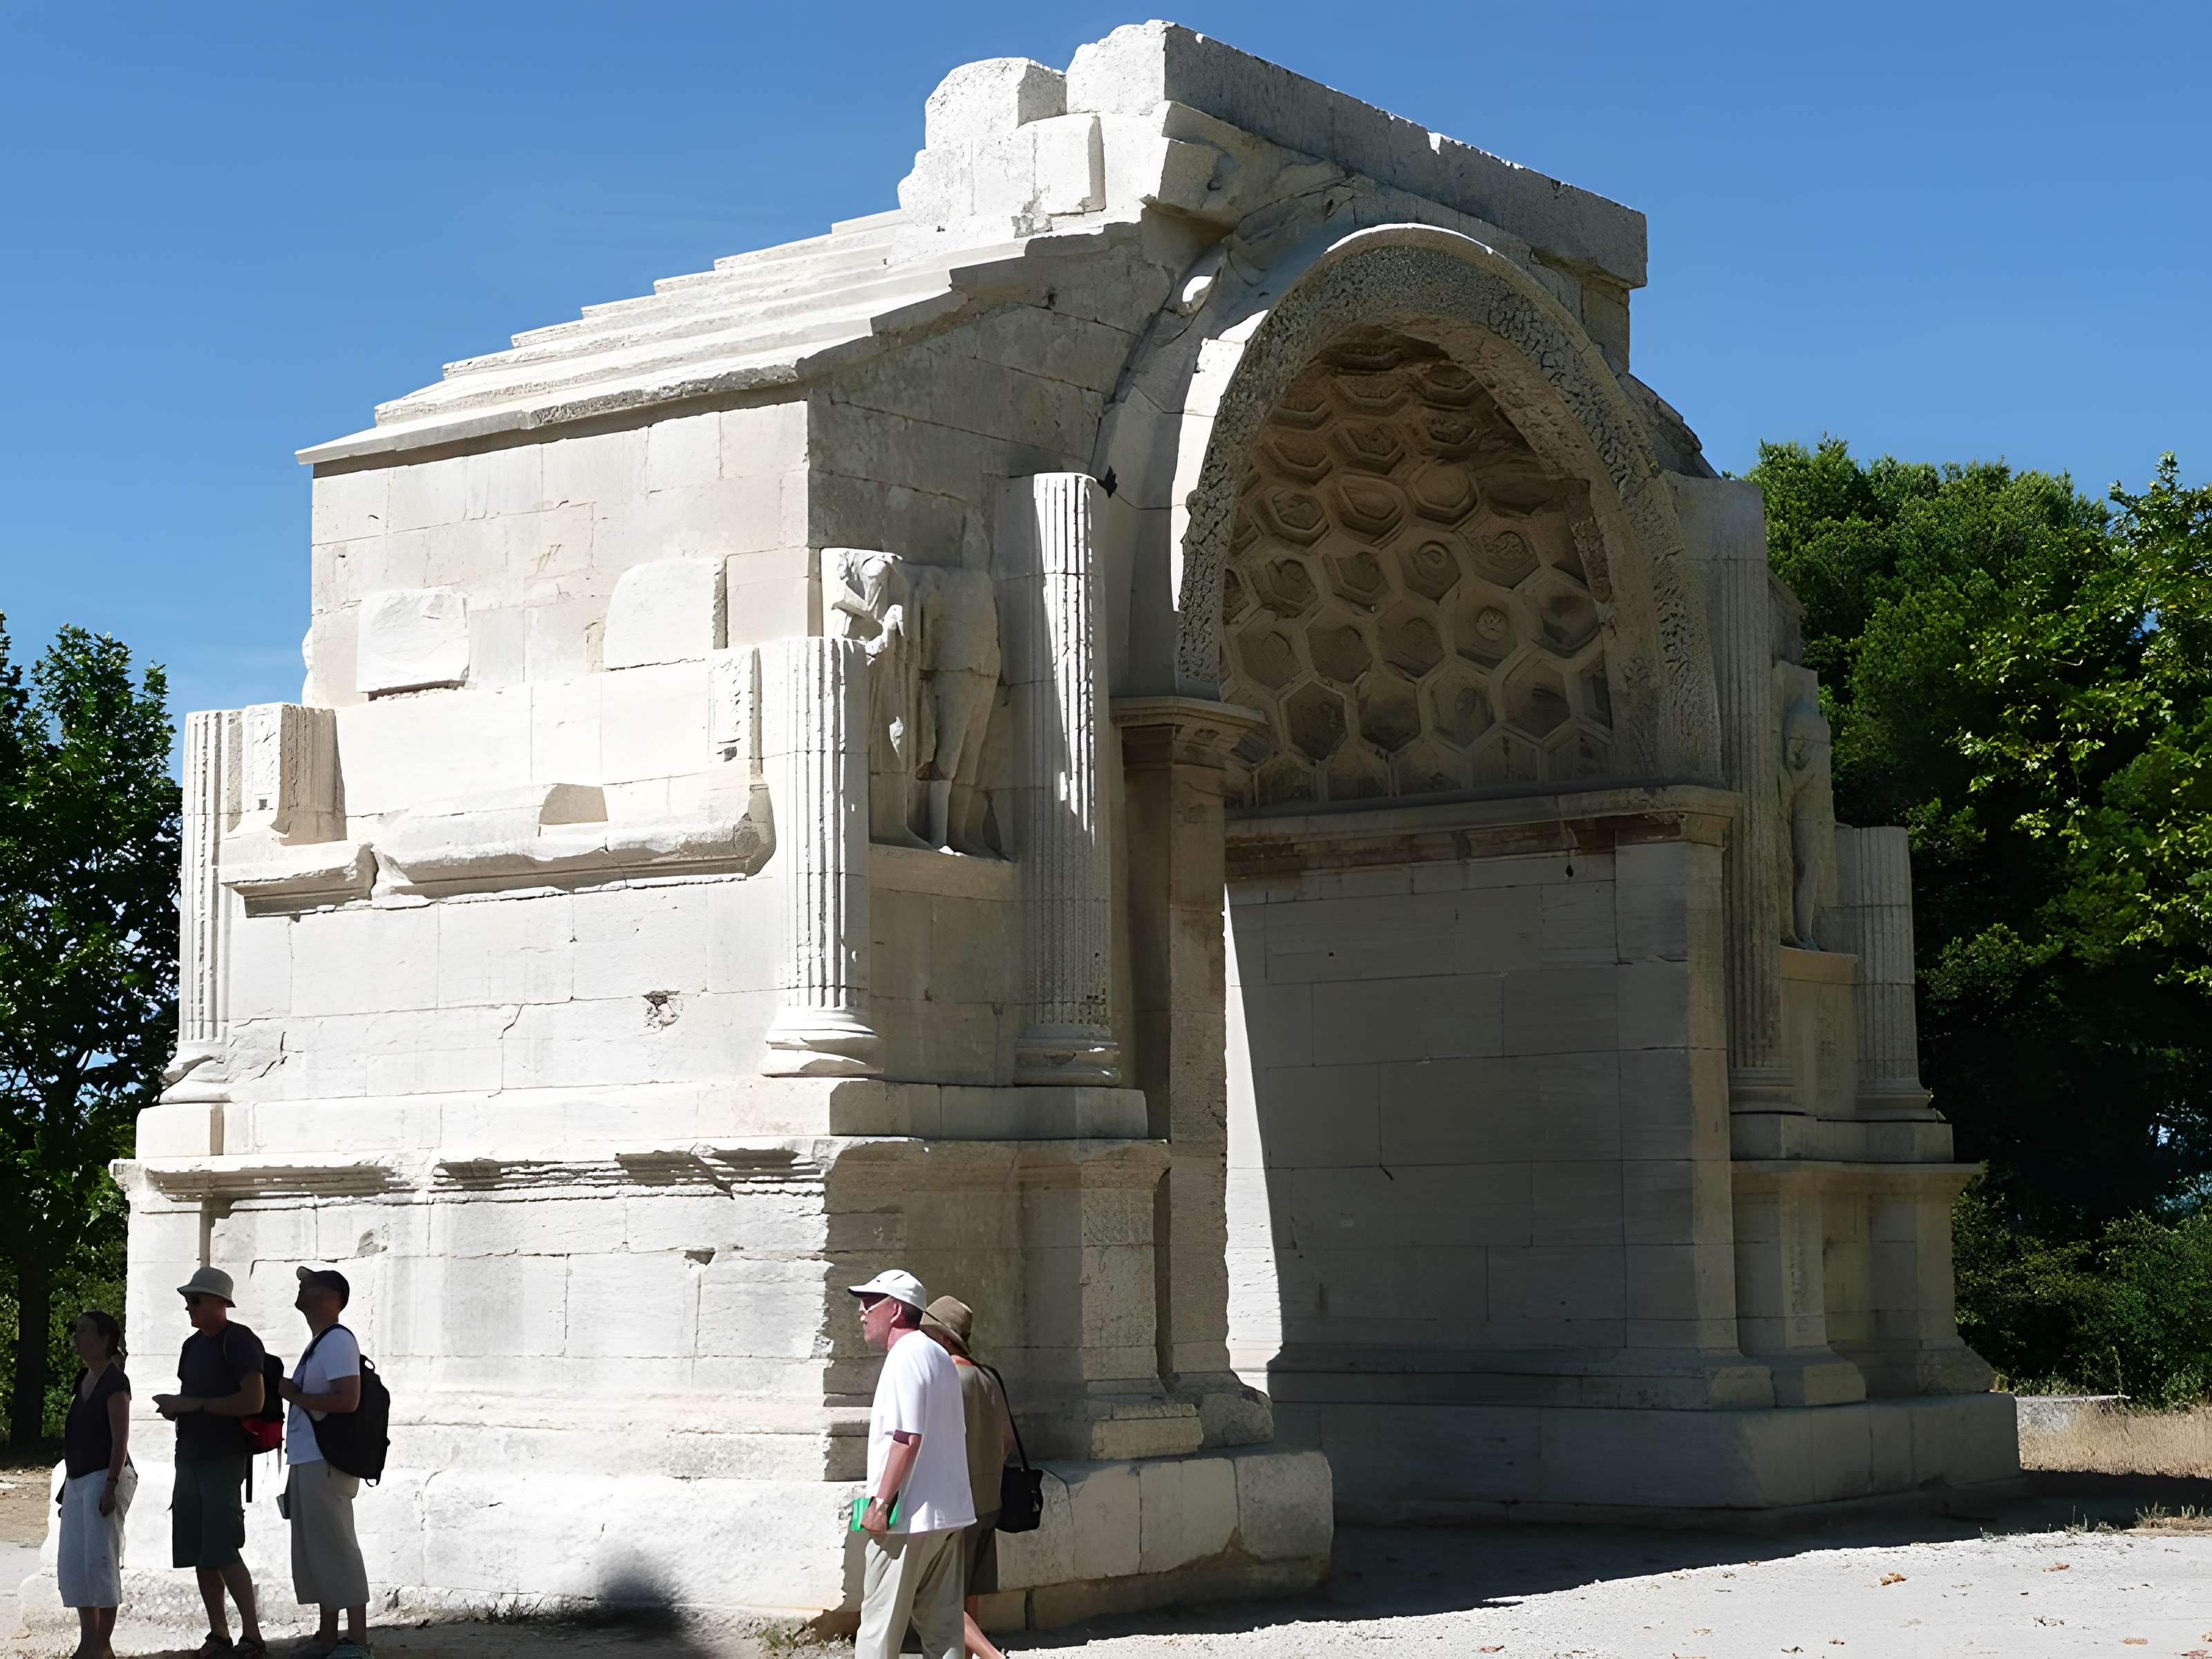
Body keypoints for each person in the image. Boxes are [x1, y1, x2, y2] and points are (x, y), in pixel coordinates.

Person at [850, 1268, 973, 1659]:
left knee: (878, 1629)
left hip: (907, 1517)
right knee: (944, 1630)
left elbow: (907, 1437)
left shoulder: (904, 1356)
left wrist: (880, 1504)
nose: (862, 1311)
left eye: (871, 1303)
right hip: (946, 1514)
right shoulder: (938, 1354)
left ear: (897, 1310)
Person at [152, 1266, 268, 1659]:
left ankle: (252, 1637)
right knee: (201, 1550)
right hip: (190, 1457)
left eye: (196, 1299)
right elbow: (194, 1399)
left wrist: (192, 1405)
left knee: (222, 1549)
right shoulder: (191, 1346)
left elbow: (252, 1401)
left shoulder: (240, 1341)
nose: (189, 1306)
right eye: (188, 1300)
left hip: (223, 1458)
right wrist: (179, 1409)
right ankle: (219, 1634)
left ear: (220, 1303)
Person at [274, 1266, 369, 1658]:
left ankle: (357, 1640)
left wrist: (293, 1395)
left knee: (336, 1546)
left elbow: (348, 1400)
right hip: (310, 1459)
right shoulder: (321, 1343)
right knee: (318, 1549)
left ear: (332, 1297)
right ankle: (329, 1636)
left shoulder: (336, 1341)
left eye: (309, 1283)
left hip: (323, 1461)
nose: (301, 1287)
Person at [921, 1296, 1015, 1659]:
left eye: (927, 1334)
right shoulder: (989, 1377)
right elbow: (1005, 1441)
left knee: (938, 1596)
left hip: (954, 1502)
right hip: (990, 1498)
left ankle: (993, 1656)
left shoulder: (947, 1379)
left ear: (944, 1339)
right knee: (968, 1590)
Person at [55, 1309, 135, 1659]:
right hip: (77, 1480)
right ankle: (89, 1641)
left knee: (100, 1562)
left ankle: (101, 1646)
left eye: (84, 1331)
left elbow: (120, 1439)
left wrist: (111, 1485)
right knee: (76, 1562)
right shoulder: (81, 1379)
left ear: (104, 1339)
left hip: (106, 1476)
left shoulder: (115, 1382)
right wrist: (67, 1485)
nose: (76, 1336)